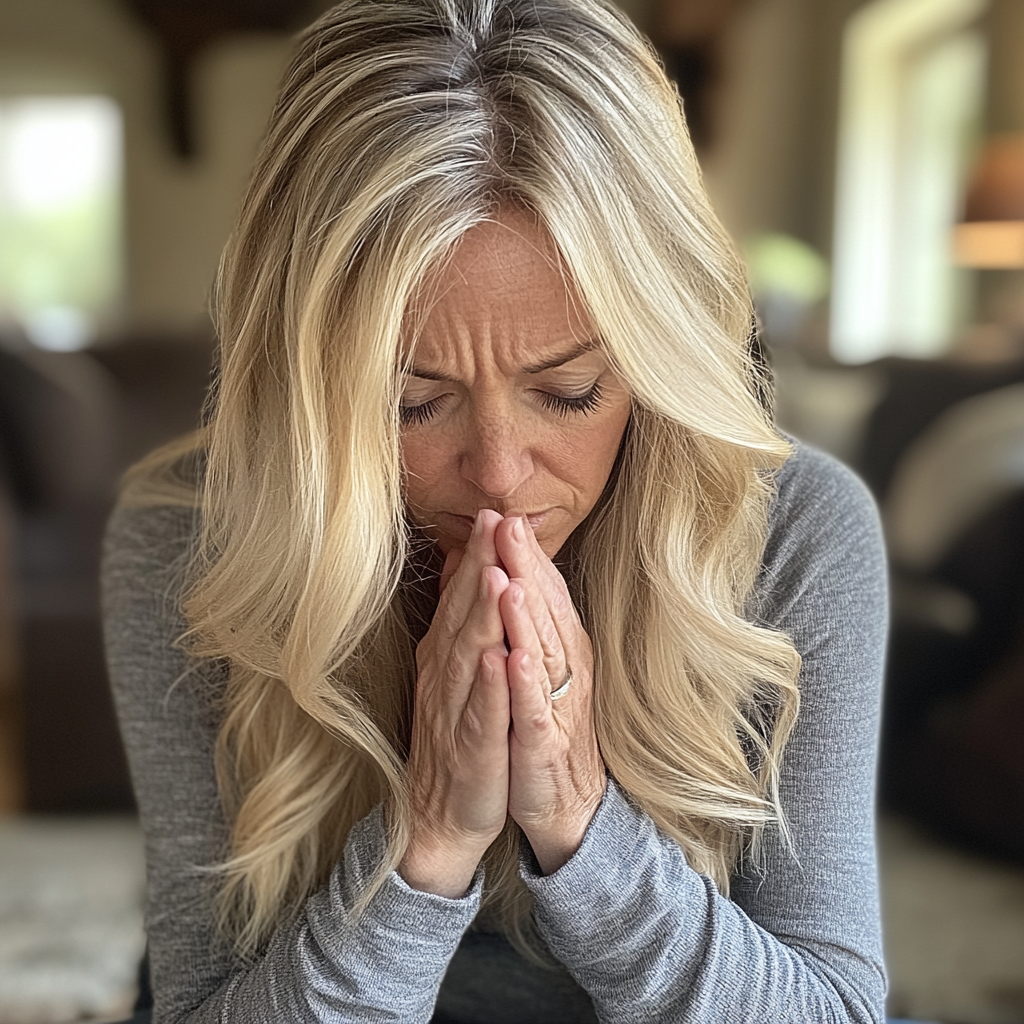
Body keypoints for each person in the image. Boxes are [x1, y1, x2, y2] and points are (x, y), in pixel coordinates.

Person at [101, 0, 888, 1021]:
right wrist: (423, 847)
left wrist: (579, 825)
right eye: (410, 403)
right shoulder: (187, 537)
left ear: (659, 364)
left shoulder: (799, 533)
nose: (500, 477)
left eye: (566, 392)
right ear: (308, 389)